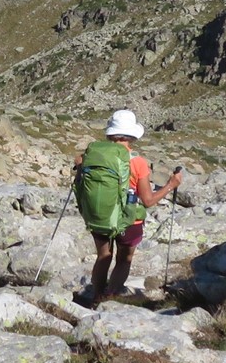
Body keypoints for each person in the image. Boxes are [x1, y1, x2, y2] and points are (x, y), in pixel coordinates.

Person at [73, 109, 181, 303]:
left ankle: (97, 296)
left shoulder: (90, 156)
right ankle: (111, 295)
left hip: (100, 215)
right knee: (124, 259)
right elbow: (147, 201)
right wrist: (170, 185)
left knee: (103, 255)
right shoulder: (138, 163)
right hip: (129, 219)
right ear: (132, 135)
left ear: (110, 132)